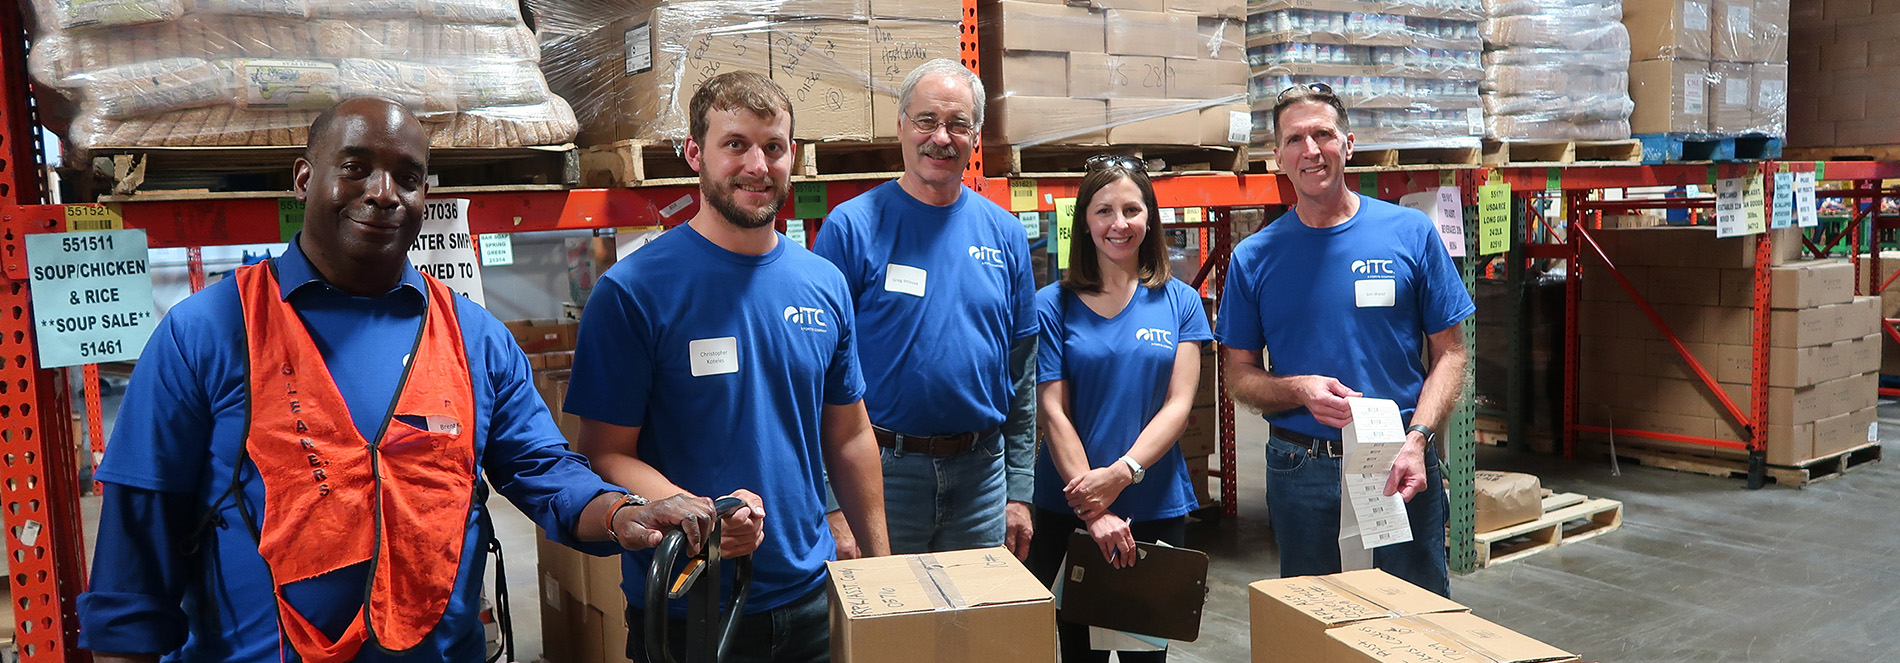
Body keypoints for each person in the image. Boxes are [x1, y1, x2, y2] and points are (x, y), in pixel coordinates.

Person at [75, 97, 717, 663]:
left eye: (407, 178)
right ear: (304, 178)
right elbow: (138, 529)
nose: (383, 192)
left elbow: (542, 469)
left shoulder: (473, 337)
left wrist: (626, 512)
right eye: (356, 167)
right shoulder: (209, 332)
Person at [564, 71, 889, 663]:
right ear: (694, 153)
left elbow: (849, 433)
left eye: (774, 146)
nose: (758, 166)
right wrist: (702, 518)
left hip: (811, 598)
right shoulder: (634, 292)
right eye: (735, 144)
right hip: (692, 607)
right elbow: (605, 453)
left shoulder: (824, 283)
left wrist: (881, 562)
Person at [1216, 83, 1473, 597]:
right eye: (1295, 140)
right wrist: (1298, 390)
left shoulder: (1410, 233)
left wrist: (1418, 439)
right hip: (1300, 468)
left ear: (1348, 144)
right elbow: (1237, 376)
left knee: (1415, 616)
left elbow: (1451, 352)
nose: (1310, 151)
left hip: (1398, 458)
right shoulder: (1254, 257)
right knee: (1316, 622)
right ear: (1277, 158)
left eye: (1323, 135)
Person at [811, 58, 1038, 559]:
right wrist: (830, 498)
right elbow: (814, 375)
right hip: (882, 475)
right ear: (901, 127)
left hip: (983, 476)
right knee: (890, 632)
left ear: (975, 137)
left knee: (975, 630)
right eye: (927, 121)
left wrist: (1019, 489)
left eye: (958, 124)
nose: (942, 137)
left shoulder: (1005, 233)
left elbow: (1022, 374)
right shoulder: (850, 229)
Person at [1025, 156, 1210, 663]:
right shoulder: (1051, 304)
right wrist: (1095, 507)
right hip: (1068, 509)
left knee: (1144, 655)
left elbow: (1179, 404)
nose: (1119, 224)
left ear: (1150, 218)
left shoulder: (1180, 302)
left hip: (1153, 508)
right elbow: (1053, 412)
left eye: (1132, 209)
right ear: (1085, 221)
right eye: (1104, 210)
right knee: (1079, 654)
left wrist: (1124, 473)